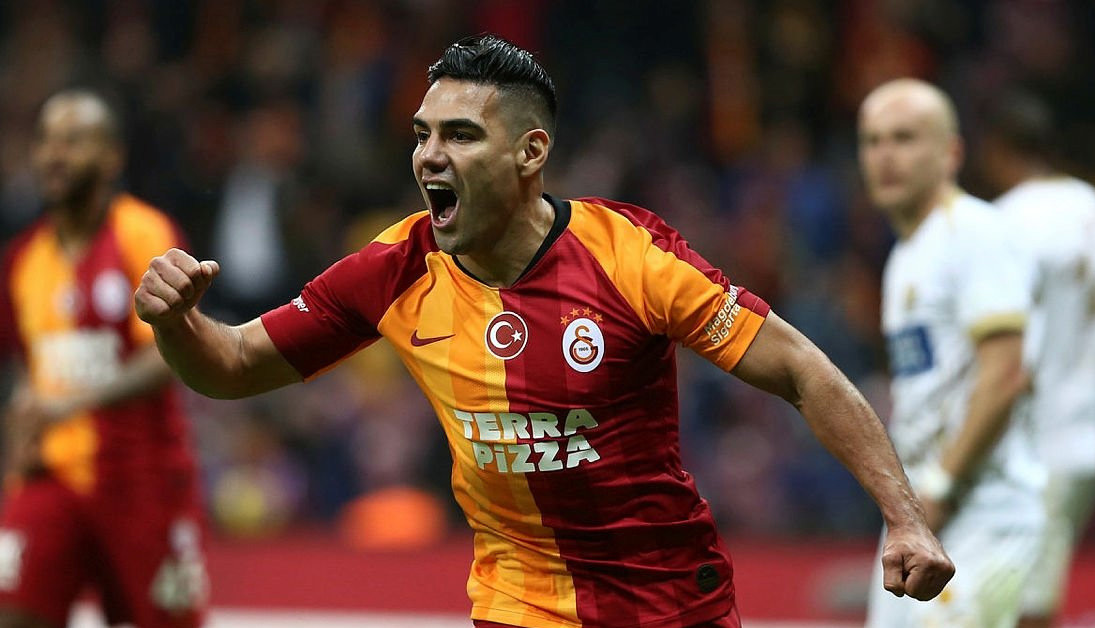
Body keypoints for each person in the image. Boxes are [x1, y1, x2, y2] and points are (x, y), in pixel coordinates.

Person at [135, 35, 953, 628]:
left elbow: (802, 370)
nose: (429, 156)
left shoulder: (630, 257)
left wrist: (904, 515)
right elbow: (233, 365)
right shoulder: (392, 268)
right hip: (517, 603)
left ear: (530, 153)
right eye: (423, 134)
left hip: (668, 601)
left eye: (461, 135)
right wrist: (179, 325)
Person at [0, 90, 208, 628]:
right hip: (52, 477)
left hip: (143, 477)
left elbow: (172, 354)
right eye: (46, 141)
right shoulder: (22, 259)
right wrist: (20, 437)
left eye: (73, 141)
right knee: (14, 611)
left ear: (111, 156)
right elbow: (30, 366)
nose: (54, 155)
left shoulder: (145, 234)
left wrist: (70, 404)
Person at [857, 78, 1047, 628]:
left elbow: (1006, 374)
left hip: (984, 515)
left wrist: (939, 486)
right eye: (873, 141)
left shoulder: (975, 232)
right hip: (922, 516)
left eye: (904, 138)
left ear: (951, 153)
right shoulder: (907, 254)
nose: (885, 156)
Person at [977, 90, 1095, 628]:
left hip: (1037, 445)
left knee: (1016, 611)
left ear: (999, 148)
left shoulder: (1008, 220)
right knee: (1020, 604)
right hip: (1089, 429)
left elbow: (1015, 353)